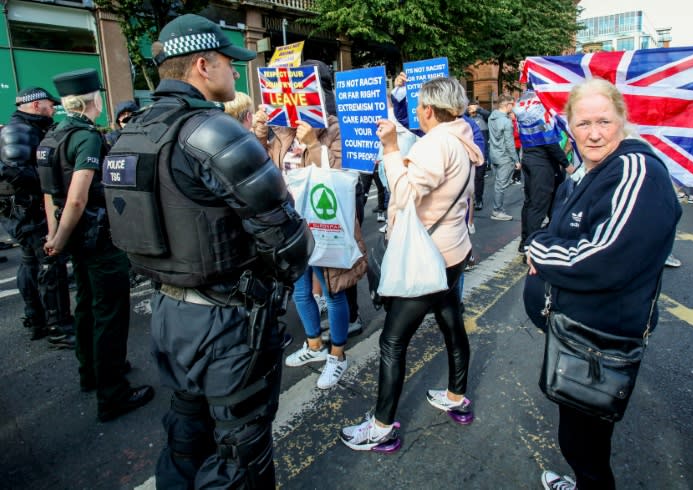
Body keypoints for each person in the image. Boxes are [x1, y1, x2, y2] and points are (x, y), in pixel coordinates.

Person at [106, 14, 311, 488]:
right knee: (240, 452)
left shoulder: (131, 133)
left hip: (167, 313)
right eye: (228, 64)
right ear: (203, 64)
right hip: (229, 324)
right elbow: (288, 240)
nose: (234, 73)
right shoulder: (211, 131)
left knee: (184, 437)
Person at [523, 78, 680, 489]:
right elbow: (562, 230)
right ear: (569, 127)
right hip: (575, 332)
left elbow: (603, 258)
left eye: (604, 122)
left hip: (599, 338)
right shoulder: (589, 169)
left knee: (586, 445)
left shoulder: (634, 169)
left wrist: (538, 251)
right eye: (583, 123)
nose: (594, 133)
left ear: (623, 121)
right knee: (580, 438)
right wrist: (546, 243)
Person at [340, 76, 483, 451]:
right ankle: (457, 397)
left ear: (430, 110)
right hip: (453, 252)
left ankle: (382, 427)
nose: (416, 111)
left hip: (427, 258)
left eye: (419, 106)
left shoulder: (435, 145)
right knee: (452, 324)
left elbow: (403, 194)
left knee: (392, 341)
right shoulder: (461, 136)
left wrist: (389, 149)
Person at [41, 68, 154, 420]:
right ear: (94, 99)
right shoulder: (86, 137)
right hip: (98, 237)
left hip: (73, 235)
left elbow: (51, 195)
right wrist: (59, 237)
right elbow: (77, 197)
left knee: (87, 305)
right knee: (109, 313)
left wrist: (54, 235)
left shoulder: (53, 136)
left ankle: (89, 373)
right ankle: (113, 394)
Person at [253, 59, 367, 389]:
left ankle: (338, 355)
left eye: (307, 96)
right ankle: (314, 344)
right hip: (291, 226)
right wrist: (262, 125)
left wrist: (315, 143)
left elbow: (337, 177)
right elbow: (259, 154)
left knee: (332, 291)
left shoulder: (334, 127)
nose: (301, 103)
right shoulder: (285, 130)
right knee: (301, 290)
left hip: (325, 226)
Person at [0, 87, 75, 347]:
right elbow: (16, 172)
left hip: (24, 212)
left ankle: (38, 319)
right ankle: (59, 328)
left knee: (32, 263)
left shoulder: (27, 128)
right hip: (28, 212)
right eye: (49, 104)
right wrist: (52, 183)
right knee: (48, 264)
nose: (53, 108)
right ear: (34, 105)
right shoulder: (19, 130)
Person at [514, 86, 573, 254]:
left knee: (531, 203)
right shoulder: (539, 104)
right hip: (543, 161)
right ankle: (530, 246)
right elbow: (548, 140)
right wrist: (567, 164)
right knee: (539, 205)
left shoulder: (524, 102)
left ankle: (525, 240)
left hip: (529, 156)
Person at [488, 95, 519, 221]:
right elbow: (510, 143)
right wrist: (516, 160)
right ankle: (497, 211)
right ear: (507, 105)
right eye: (512, 104)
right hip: (504, 157)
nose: (513, 106)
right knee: (501, 185)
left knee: (498, 184)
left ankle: (498, 209)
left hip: (494, 155)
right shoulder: (506, 122)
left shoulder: (491, 117)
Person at [467, 100, 490, 209]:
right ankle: (469, 200)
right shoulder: (465, 120)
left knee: (479, 178)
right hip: (467, 154)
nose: (473, 110)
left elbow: (489, 115)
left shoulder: (483, 118)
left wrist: (479, 109)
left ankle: (479, 199)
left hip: (481, 153)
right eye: (470, 108)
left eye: (474, 108)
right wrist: (467, 111)